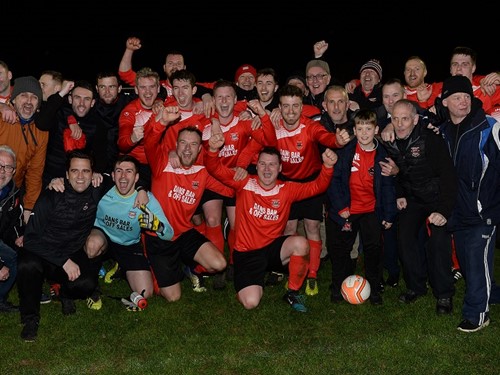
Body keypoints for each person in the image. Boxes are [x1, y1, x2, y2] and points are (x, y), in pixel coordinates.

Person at [205, 120, 338, 312]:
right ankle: (247, 283)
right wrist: (212, 150)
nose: (267, 169)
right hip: (247, 253)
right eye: (263, 164)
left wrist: (327, 166)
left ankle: (292, 292)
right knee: (251, 303)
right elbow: (214, 168)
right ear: (256, 166)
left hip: (273, 249)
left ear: (280, 169)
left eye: (272, 165)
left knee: (301, 243)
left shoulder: (287, 189)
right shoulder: (244, 182)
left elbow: (317, 187)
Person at [17, 149, 105, 342]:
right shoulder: (52, 194)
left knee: (87, 285)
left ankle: (64, 293)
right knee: (27, 266)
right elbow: (30, 239)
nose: (80, 177)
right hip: (43, 253)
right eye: (75, 171)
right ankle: (30, 318)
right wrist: (64, 261)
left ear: (93, 173)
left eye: (86, 171)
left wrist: (140, 190)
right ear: (66, 175)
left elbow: (124, 177)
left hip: (70, 252)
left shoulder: (97, 189)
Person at [379, 99, 457, 315]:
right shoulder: (390, 140)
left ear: (415, 119)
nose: (400, 123)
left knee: (438, 242)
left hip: (438, 198)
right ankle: (416, 286)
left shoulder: (431, 139)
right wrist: (401, 193)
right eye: (395, 119)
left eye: (405, 118)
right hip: (414, 199)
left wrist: (443, 210)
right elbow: (401, 172)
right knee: (404, 235)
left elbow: (449, 176)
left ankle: (444, 294)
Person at [437, 75, 500, 332]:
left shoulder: (489, 127)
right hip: (457, 212)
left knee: (476, 257)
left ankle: (477, 314)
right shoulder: (441, 132)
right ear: (445, 102)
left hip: (484, 210)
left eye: (466, 96)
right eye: (456, 97)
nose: (463, 102)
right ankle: (492, 294)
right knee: (468, 262)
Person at [143, 122, 233, 300]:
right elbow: (150, 143)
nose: (187, 149)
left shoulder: (202, 173)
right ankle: (153, 262)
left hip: (184, 233)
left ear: (200, 149)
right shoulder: (162, 164)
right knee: (171, 296)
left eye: (193, 144)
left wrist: (244, 178)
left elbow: (230, 190)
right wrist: (161, 123)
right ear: (176, 145)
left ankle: (188, 266)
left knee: (219, 263)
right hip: (159, 237)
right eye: (183, 143)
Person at [326, 109, 397, 305]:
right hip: (348, 210)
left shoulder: (382, 155)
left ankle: (374, 289)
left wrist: (389, 214)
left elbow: (388, 187)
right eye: (360, 129)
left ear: (376, 130)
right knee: (342, 250)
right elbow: (334, 180)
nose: (364, 133)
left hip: (371, 210)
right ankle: (337, 285)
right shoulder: (346, 151)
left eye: (368, 128)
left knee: (373, 249)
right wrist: (341, 207)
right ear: (354, 131)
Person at [85, 154, 173, 308]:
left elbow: (169, 233)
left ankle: (121, 268)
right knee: (93, 245)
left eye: (129, 171)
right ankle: (92, 280)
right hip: (104, 238)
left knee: (146, 292)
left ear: (137, 177)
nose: (123, 176)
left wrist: (157, 226)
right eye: (119, 171)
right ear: (112, 175)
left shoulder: (146, 199)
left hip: (129, 245)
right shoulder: (102, 190)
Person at [0, 76, 49, 224]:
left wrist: (29, 207)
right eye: (23, 95)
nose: (29, 101)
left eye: (34, 97)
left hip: (11, 192)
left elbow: (35, 171)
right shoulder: (3, 118)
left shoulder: (41, 132)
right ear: (13, 100)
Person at [0, 145, 23, 313]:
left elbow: (14, 222)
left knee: (15, 256)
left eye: (8, 167)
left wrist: (19, 237)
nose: (2, 171)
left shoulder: (13, 193)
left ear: (13, 171)